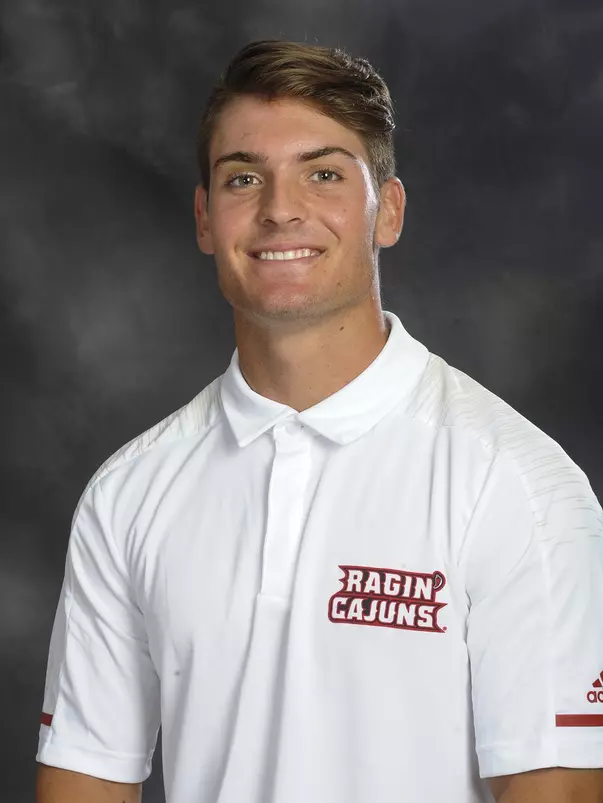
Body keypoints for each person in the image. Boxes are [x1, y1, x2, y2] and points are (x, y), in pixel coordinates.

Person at [35, 38, 603, 803]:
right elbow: (84, 784)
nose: (279, 210)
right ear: (205, 218)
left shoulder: (517, 487)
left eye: (324, 173)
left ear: (387, 212)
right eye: (243, 178)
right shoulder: (128, 494)